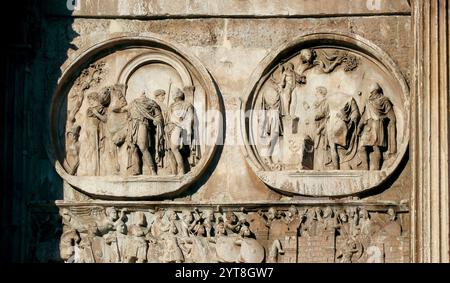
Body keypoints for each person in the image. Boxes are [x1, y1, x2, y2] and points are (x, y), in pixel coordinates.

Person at [358, 82, 397, 170]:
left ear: (376, 91)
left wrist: (389, 127)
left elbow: (392, 117)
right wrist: (359, 127)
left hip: (378, 125)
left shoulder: (384, 100)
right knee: (361, 147)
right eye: (371, 93)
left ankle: (376, 170)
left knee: (376, 147)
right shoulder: (369, 102)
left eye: (372, 92)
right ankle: (365, 169)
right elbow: (364, 116)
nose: (371, 94)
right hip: (368, 126)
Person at [126, 91, 163, 175]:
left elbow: (158, 116)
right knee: (133, 147)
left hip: (143, 124)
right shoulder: (133, 103)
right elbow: (128, 115)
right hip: (132, 125)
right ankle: (137, 169)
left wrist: (157, 120)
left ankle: (152, 169)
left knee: (142, 146)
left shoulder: (151, 103)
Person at [165, 88, 196, 175]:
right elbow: (168, 117)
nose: (172, 95)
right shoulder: (171, 106)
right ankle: (174, 171)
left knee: (174, 148)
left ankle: (181, 170)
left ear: (178, 95)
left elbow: (190, 118)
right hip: (169, 128)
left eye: (173, 93)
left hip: (179, 127)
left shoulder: (187, 105)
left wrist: (183, 125)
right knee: (170, 149)